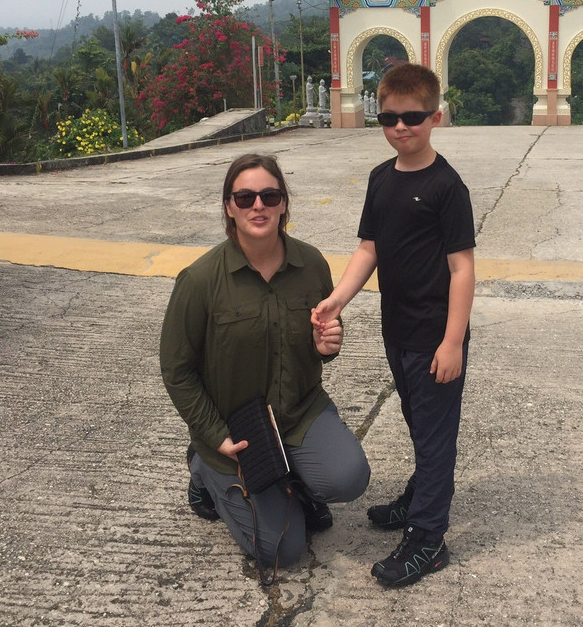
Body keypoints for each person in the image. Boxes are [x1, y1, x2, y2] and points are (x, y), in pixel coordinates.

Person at [160, 152, 370, 578]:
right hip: (237, 431)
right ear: (229, 207)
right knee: (282, 549)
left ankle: (292, 481)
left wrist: (328, 344)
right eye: (245, 197)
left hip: (298, 411)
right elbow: (177, 370)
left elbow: (322, 338)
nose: (258, 205)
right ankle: (202, 470)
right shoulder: (200, 281)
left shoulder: (311, 264)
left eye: (269, 195)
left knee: (349, 478)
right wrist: (214, 436)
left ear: (283, 204)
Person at [311, 63, 475, 588]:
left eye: (413, 117)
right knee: (416, 422)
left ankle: (428, 538)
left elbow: (462, 268)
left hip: (435, 336)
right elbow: (369, 248)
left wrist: (453, 342)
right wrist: (337, 299)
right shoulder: (382, 178)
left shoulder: (448, 186)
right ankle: (418, 497)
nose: (401, 127)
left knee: (434, 437)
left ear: (435, 117)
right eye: (389, 118)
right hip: (397, 329)